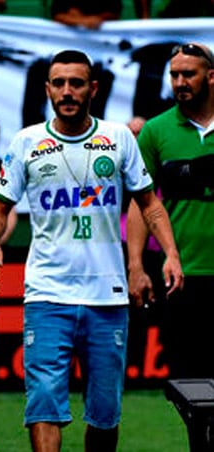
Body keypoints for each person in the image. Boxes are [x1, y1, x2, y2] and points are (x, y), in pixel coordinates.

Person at [0, 50, 183, 452]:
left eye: (76, 83)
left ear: (93, 88)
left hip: (108, 297)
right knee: (44, 408)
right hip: (48, 295)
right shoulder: (26, 142)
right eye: (59, 83)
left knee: (105, 415)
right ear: (48, 88)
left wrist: (168, 255)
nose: (67, 91)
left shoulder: (118, 137)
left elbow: (150, 204)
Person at [127, 42, 214, 379]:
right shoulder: (155, 131)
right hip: (181, 277)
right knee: (189, 385)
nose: (179, 82)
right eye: (174, 75)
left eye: (188, 74)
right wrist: (136, 266)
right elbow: (141, 204)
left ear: (210, 76)